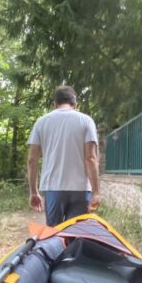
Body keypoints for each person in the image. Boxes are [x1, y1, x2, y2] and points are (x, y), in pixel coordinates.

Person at [27, 85, 101, 226]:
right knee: (76, 235)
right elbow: (91, 158)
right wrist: (96, 192)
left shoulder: (41, 123)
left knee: (54, 235)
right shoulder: (86, 121)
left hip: (53, 187)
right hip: (81, 189)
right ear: (75, 103)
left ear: (55, 104)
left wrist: (33, 192)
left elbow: (32, 160)